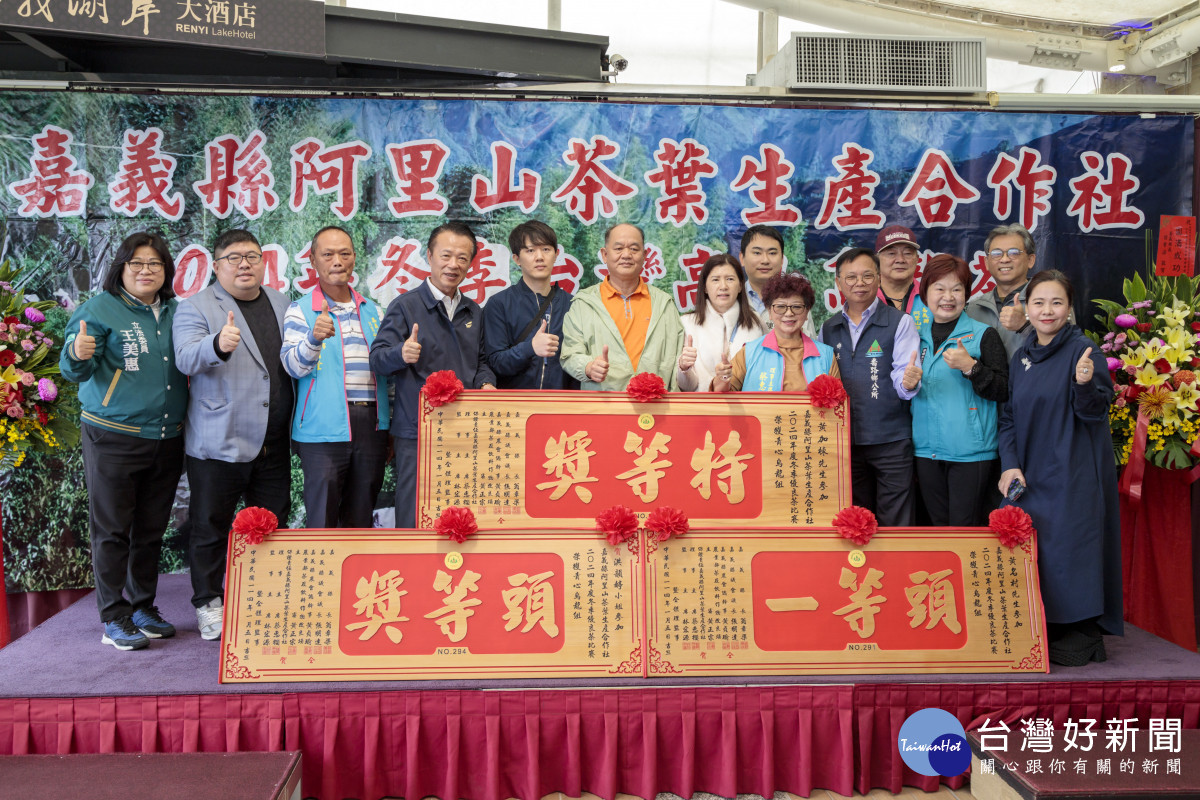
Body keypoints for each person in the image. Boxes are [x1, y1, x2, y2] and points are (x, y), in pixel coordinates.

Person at [60, 232, 188, 651]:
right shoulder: (99, 309)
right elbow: (74, 370)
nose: (146, 271)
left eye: (154, 263)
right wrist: (78, 352)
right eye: (137, 263)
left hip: (167, 436)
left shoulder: (175, 311)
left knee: (150, 530)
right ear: (122, 268)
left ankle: (142, 608)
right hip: (113, 435)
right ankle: (113, 615)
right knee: (112, 531)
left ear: (166, 270)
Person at [173, 229, 292, 642]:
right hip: (218, 440)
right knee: (209, 526)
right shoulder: (196, 307)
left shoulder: (281, 301)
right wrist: (218, 345)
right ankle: (209, 604)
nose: (245, 264)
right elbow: (186, 356)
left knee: (270, 522)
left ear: (263, 262)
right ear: (216, 265)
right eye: (234, 257)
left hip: (273, 441)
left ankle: (266, 598)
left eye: (253, 256)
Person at [998, 269, 1121, 665]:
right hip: (1030, 470)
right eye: (1039, 302)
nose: (1047, 310)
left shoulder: (1084, 350)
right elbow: (1009, 418)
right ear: (1026, 309)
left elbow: (1095, 412)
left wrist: (1085, 384)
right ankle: (1042, 626)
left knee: (1072, 547)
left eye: (1056, 302)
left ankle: (1080, 628)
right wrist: (1010, 464)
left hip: (1073, 468)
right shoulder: (1022, 356)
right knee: (1040, 548)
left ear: (1069, 309)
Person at [369, 222, 496, 528]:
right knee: (413, 512)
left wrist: (486, 383)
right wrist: (400, 353)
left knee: (459, 512)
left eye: (462, 258)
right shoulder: (405, 306)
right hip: (417, 431)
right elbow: (377, 359)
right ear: (429, 255)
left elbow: (481, 361)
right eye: (446, 255)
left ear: (470, 264)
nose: (453, 264)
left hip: (464, 428)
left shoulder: (473, 311)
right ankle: (409, 574)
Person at [281, 226, 389, 529]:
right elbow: (292, 367)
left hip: (372, 425)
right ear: (313, 261)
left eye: (344, 253)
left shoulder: (373, 311)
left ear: (354, 258)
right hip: (321, 428)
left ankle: (357, 577)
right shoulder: (301, 310)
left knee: (361, 513)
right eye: (328, 254)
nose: (337, 261)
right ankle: (320, 576)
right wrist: (313, 340)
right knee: (322, 516)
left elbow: (386, 375)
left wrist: (388, 424)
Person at [820, 247, 921, 526]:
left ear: (878, 279)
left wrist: (909, 383)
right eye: (850, 277)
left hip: (891, 438)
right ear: (838, 283)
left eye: (867, 275)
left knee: (896, 521)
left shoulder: (899, 322)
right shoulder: (828, 328)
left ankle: (898, 570)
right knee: (854, 521)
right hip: (844, 441)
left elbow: (904, 376)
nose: (859, 283)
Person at [910, 254, 1009, 526]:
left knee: (964, 530)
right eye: (939, 288)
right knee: (938, 530)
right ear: (925, 293)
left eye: (957, 289)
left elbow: (1003, 389)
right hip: (925, 451)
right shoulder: (914, 337)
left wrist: (971, 368)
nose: (948, 297)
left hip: (971, 451)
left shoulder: (982, 334)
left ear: (967, 294)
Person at [560, 223, 685, 391]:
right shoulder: (583, 304)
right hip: (604, 409)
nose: (626, 255)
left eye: (634, 249)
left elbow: (678, 361)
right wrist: (588, 367)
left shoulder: (664, 304)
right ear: (604, 255)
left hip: (656, 408)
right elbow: (569, 355)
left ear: (645, 255)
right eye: (618, 248)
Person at [484, 220, 577, 389]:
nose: (539, 257)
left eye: (546, 249)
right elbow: (494, 362)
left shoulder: (572, 305)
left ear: (556, 255)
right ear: (517, 259)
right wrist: (530, 348)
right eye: (530, 250)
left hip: (562, 406)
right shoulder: (499, 304)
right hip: (516, 407)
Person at [712, 273, 837, 392]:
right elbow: (722, 394)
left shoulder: (826, 355)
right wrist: (722, 379)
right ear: (769, 312)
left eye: (797, 307)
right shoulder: (749, 352)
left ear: (807, 312)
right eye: (780, 307)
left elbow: (837, 404)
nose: (789, 313)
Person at [676, 254, 765, 392]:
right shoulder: (687, 324)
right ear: (705, 287)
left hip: (745, 408)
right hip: (701, 408)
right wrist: (684, 368)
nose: (723, 286)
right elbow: (687, 387)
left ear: (740, 285)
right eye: (715, 280)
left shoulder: (756, 323)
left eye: (730, 279)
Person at [966, 223, 1037, 360]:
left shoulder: (1051, 301)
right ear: (986, 262)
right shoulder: (973, 309)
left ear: (1030, 260)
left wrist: (1025, 325)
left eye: (1014, 252)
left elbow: (1066, 349)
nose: (1004, 259)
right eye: (997, 254)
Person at [738, 225, 817, 337]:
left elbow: (811, 346)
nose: (765, 260)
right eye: (757, 253)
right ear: (742, 258)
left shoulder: (797, 301)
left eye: (772, 253)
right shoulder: (731, 299)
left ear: (782, 260)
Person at [875, 224, 929, 321]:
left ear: (917, 259)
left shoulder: (930, 295)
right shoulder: (866, 297)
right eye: (891, 253)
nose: (900, 260)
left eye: (907, 253)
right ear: (877, 259)